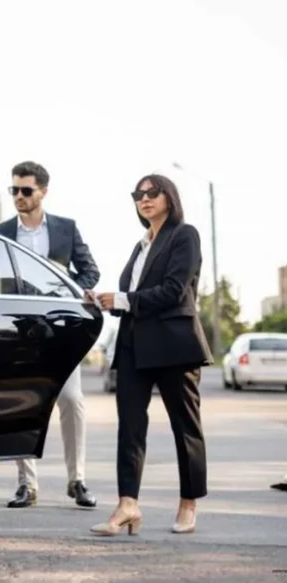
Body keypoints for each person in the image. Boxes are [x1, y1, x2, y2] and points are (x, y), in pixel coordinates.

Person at [85, 173, 212, 536]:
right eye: (138, 194)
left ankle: (189, 503)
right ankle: (128, 505)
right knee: (130, 428)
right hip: (133, 348)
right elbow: (133, 299)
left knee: (185, 428)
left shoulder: (184, 235)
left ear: (169, 198)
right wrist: (106, 301)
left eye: (152, 192)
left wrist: (124, 299)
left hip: (174, 346)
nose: (144, 198)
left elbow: (174, 290)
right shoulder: (139, 246)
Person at [0, 160, 99, 509]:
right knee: (24, 403)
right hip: (20, 332)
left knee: (71, 400)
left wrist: (67, 293)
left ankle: (77, 480)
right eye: (14, 190)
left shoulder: (66, 229)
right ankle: (27, 484)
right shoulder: (1, 232)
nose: (18, 197)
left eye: (26, 190)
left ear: (43, 192)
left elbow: (90, 271)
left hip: (61, 331)